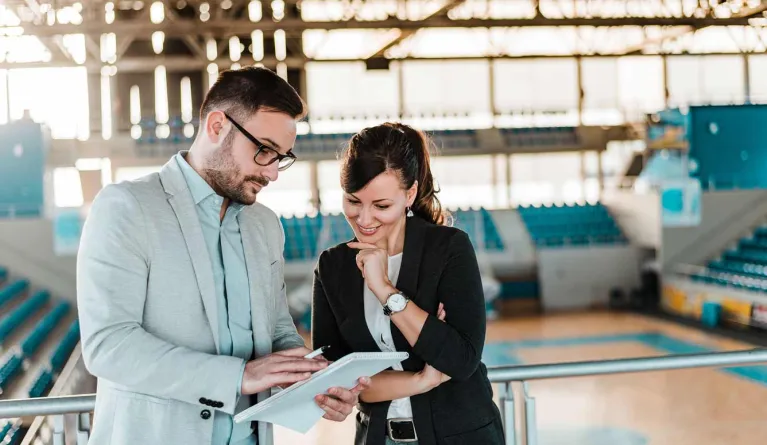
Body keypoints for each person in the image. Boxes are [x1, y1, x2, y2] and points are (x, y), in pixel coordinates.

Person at [77, 67, 368, 445]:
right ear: (217, 126)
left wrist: (312, 379)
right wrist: (238, 377)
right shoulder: (127, 207)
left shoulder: (264, 225)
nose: (272, 173)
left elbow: (278, 329)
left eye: (281, 157)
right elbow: (108, 346)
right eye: (263, 150)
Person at [311, 122, 504, 445]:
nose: (365, 219)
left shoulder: (448, 248)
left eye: (382, 205)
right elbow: (337, 377)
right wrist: (421, 379)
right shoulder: (333, 266)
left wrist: (385, 289)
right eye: (353, 202)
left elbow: (461, 361)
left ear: (410, 194)